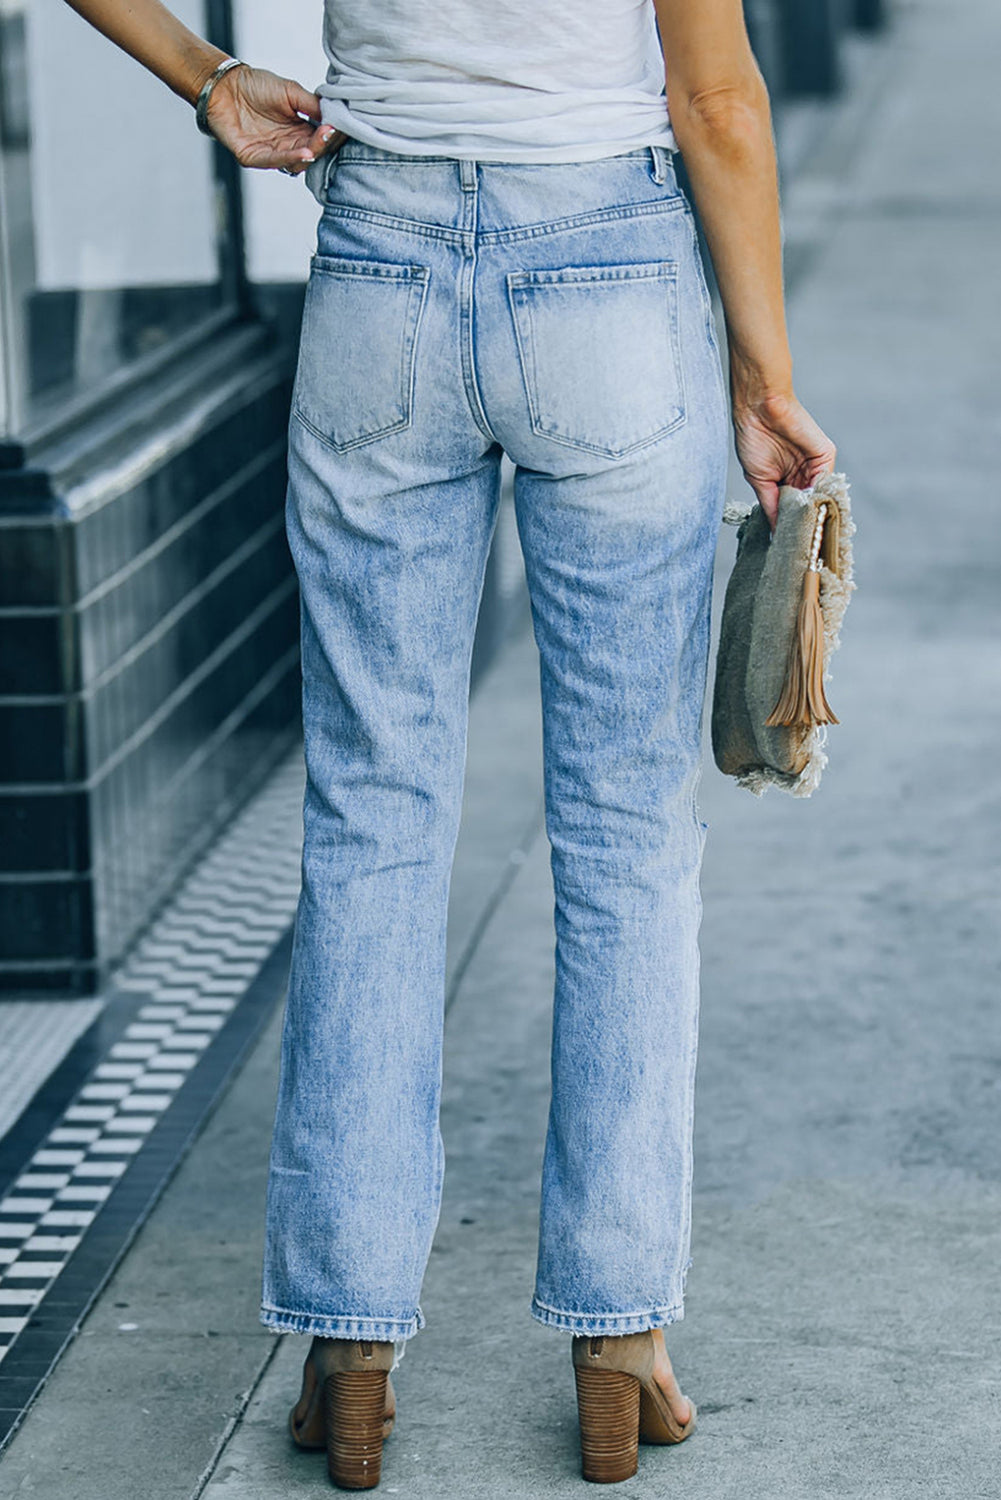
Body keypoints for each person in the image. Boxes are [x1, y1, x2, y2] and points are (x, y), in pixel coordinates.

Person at [66, 0, 836, 1487]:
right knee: (622, 832)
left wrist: (208, 78)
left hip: (376, 266)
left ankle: (347, 1348)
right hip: (606, 270)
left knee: (371, 814)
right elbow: (720, 101)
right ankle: (620, 1345)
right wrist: (763, 374)